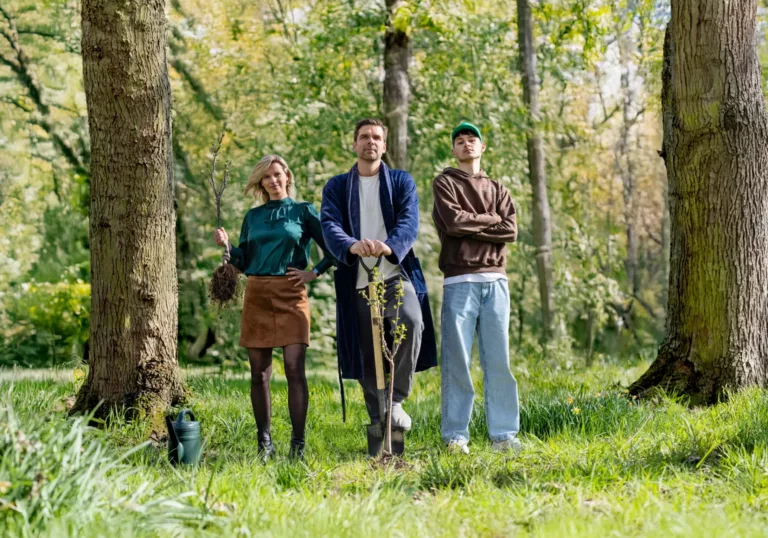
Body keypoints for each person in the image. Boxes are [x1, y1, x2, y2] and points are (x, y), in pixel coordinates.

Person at [213, 155, 335, 460]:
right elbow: (243, 261)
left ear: (287, 176)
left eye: (278, 174)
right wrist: (228, 247)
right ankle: (264, 442)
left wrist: (314, 272)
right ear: (260, 183)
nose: (273, 180)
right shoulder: (252, 218)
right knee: (259, 374)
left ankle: (298, 443)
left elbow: (333, 248)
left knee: (295, 368)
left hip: (292, 294)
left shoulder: (303, 211)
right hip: (257, 293)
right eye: (266, 177)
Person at [320, 118, 437, 435]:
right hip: (356, 278)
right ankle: (378, 422)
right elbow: (329, 225)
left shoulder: (401, 182)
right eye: (363, 137)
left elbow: (410, 222)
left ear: (384, 145)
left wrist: (387, 246)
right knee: (366, 349)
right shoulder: (337, 187)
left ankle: (396, 400)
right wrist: (352, 245)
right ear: (354, 144)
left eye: (376, 137)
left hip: (394, 274)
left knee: (411, 321)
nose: (370, 142)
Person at [432, 121, 521, 454]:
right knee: (457, 361)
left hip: (496, 282)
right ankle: (456, 436)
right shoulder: (445, 183)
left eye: (472, 140)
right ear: (453, 150)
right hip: (459, 281)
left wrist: (476, 223)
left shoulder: (499, 188)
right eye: (460, 141)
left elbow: (510, 230)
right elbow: (453, 223)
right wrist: (491, 219)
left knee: (499, 361)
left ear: (483, 148)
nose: (466, 144)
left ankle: (504, 435)